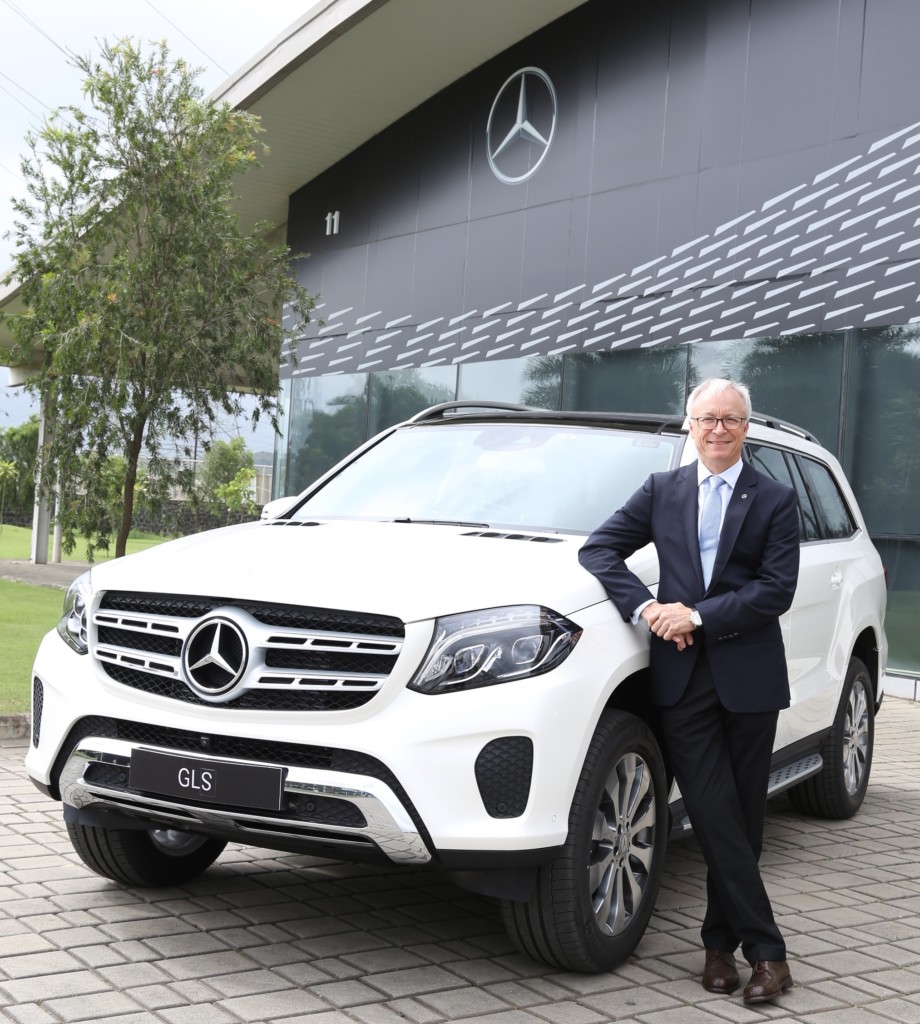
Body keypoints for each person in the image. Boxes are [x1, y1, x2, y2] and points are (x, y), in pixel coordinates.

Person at [578, 378, 799, 1004]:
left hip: (750, 678)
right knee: (709, 812)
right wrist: (648, 609)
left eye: (731, 419)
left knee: (744, 820)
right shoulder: (661, 490)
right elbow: (600, 550)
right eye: (708, 418)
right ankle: (769, 954)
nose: (719, 429)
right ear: (689, 425)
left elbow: (775, 589)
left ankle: (716, 948)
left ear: (746, 427)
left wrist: (698, 616)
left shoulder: (775, 498)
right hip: (681, 681)